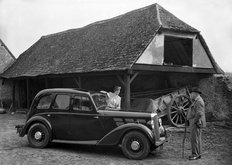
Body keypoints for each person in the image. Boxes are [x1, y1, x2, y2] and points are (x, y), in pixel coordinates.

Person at [187, 87, 206, 160]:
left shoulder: (199, 101)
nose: (190, 95)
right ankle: (197, 154)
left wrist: (194, 121)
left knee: (195, 139)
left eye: (191, 93)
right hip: (195, 122)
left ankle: (195, 155)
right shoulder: (196, 100)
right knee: (195, 138)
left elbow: (199, 113)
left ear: (195, 93)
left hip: (196, 123)